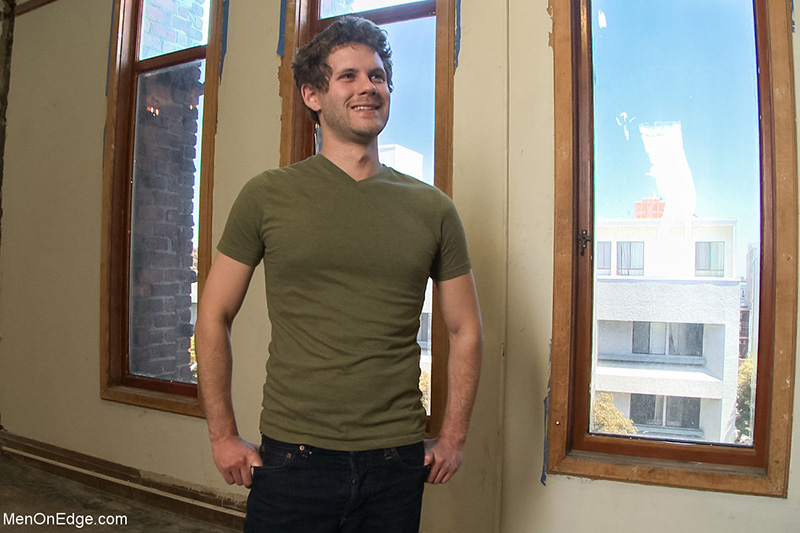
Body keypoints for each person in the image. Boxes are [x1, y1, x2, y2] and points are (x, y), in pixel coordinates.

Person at [195, 15, 483, 533]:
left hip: (396, 460)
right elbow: (213, 314)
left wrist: (454, 436)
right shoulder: (267, 195)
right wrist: (222, 434)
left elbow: (465, 330)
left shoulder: (433, 208)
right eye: (348, 76)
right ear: (312, 95)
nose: (368, 87)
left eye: (377, 76)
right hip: (293, 458)